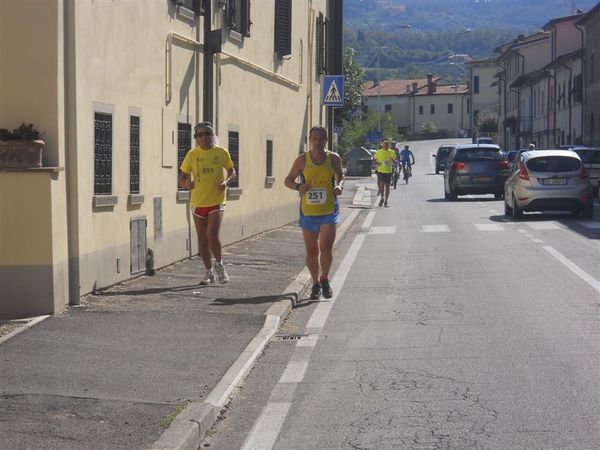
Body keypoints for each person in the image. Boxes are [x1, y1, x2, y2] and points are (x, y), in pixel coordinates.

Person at [284, 126, 344, 300]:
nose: (317, 142)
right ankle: (315, 283)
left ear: (326, 140)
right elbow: (287, 180)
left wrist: (339, 185)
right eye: (314, 139)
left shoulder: (333, 158)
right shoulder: (302, 160)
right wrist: (298, 186)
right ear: (310, 140)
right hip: (309, 211)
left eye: (321, 139)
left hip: (328, 209)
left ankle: (324, 278)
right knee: (312, 251)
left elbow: (340, 174)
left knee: (326, 247)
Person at [178, 121, 236, 285]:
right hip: (197, 203)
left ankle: (219, 265)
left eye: (206, 134)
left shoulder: (221, 153)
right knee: (202, 240)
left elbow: (232, 171)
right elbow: (182, 178)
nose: (203, 138)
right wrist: (186, 184)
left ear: (212, 135)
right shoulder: (191, 155)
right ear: (196, 138)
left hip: (216, 201)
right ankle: (208, 272)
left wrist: (226, 182)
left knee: (212, 235)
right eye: (199, 135)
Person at [374, 140, 396, 207]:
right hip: (381, 171)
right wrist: (377, 162)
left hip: (388, 171)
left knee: (387, 187)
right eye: (385, 145)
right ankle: (382, 198)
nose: (386, 146)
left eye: (387, 145)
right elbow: (375, 159)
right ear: (383, 145)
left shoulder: (391, 152)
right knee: (382, 186)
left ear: (388, 146)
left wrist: (392, 159)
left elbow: (394, 161)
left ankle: (386, 201)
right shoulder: (379, 152)